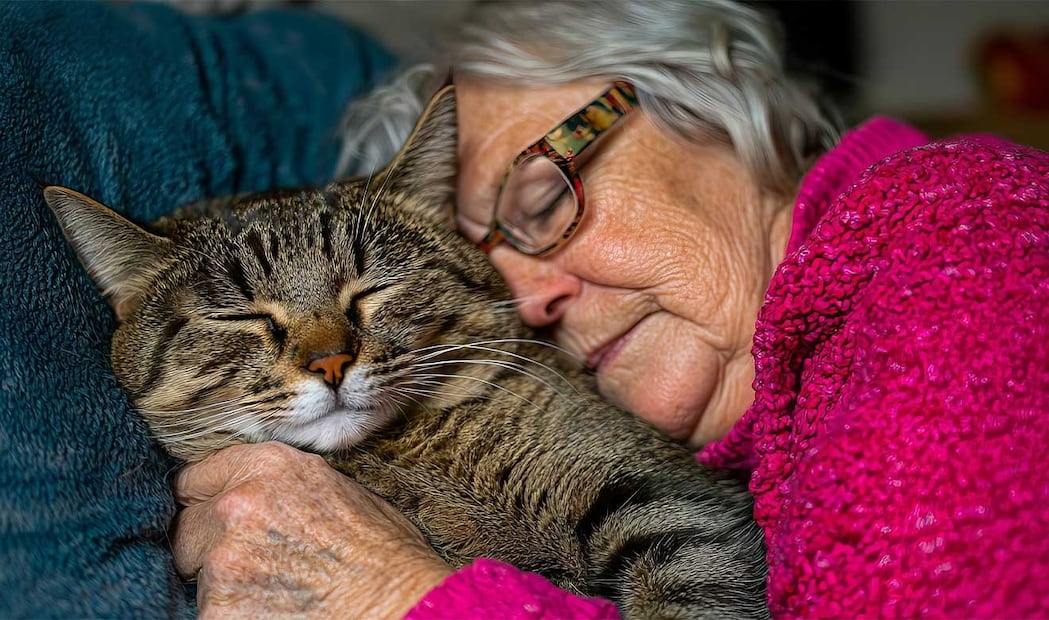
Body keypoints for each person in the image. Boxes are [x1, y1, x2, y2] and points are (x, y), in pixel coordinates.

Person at [41, 0, 1049, 617]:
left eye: (540, 198)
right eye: (481, 259)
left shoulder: (956, 237)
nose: (522, 301)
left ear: (714, 93)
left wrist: (404, 593)